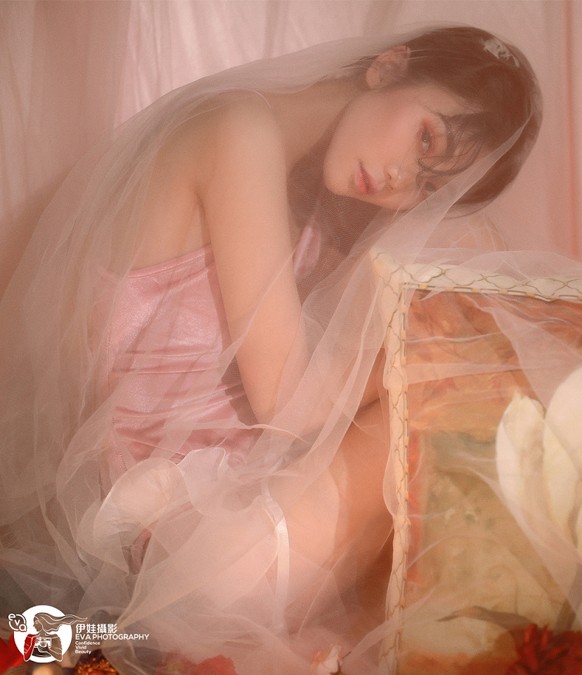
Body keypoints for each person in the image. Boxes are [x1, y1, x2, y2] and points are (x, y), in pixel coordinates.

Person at [0, 25, 541, 674]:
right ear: (388, 65)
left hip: (210, 526)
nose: (401, 180)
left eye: (427, 188)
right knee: (435, 395)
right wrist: (426, 347)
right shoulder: (239, 132)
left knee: (460, 376)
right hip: (176, 546)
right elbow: (288, 403)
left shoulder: (313, 188)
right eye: (425, 137)